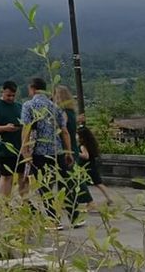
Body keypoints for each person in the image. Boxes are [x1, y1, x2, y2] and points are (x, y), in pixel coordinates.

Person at [21, 77, 79, 229]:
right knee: (64, 182)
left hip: (39, 152)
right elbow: (64, 131)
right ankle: (75, 217)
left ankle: (54, 220)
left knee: (44, 186)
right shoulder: (56, 107)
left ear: (32, 88)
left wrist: (25, 150)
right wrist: (68, 151)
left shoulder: (29, 105)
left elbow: (27, 128)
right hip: (58, 151)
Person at [0, 80, 24, 197]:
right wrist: (4, 128)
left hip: (20, 147)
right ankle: (5, 204)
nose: (11, 98)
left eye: (13, 95)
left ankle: (25, 202)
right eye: (8, 95)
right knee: (7, 176)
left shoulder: (19, 107)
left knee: (23, 175)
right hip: (4, 148)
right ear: (2, 92)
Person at [53, 85, 83, 214]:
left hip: (66, 148)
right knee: (69, 176)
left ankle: (84, 201)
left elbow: (63, 131)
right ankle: (65, 201)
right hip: (73, 146)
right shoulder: (71, 112)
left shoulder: (61, 112)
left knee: (68, 177)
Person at [76, 126, 114, 209]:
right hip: (92, 166)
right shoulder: (90, 144)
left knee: (83, 184)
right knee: (98, 183)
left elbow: (86, 156)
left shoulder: (83, 146)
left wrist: (76, 153)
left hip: (87, 168)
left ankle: (88, 201)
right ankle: (109, 198)